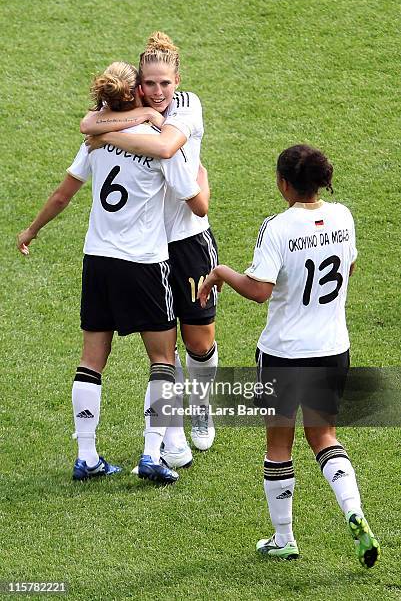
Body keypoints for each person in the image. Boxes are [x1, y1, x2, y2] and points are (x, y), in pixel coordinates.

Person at [17, 61, 210, 484]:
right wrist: (202, 176)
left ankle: (87, 456)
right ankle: (152, 453)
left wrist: (31, 229)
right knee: (162, 357)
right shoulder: (158, 139)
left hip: (97, 259)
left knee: (91, 360)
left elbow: (63, 193)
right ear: (137, 94)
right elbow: (196, 204)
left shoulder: (96, 140)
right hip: (144, 262)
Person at [198, 144, 380, 568]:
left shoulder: (276, 227)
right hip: (333, 349)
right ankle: (354, 512)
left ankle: (283, 538)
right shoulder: (343, 217)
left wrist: (220, 273)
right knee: (324, 436)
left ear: (283, 184)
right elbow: (348, 267)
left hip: (283, 354)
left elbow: (259, 291)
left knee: (279, 443)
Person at [81, 32, 219, 468]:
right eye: (149, 84)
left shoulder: (188, 107)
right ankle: (171, 438)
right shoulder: (131, 111)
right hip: (146, 250)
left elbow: (163, 149)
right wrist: (128, 119)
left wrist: (110, 135)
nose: (158, 92)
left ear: (179, 80)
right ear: (138, 84)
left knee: (199, 340)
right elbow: (88, 123)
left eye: (165, 83)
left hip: (188, 240)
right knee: (165, 346)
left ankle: (200, 405)